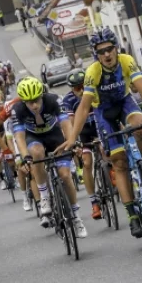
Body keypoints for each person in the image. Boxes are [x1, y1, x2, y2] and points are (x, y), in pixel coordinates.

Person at [61, 28, 142, 239]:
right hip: (104, 111)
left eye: (109, 49)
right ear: (96, 54)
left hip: (124, 102)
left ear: (116, 48)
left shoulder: (126, 60)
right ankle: (132, 215)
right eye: (101, 51)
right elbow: (83, 107)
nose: (106, 54)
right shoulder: (92, 72)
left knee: (140, 124)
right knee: (119, 162)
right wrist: (72, 139)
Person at [11, 77, 86, 238]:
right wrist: (25, 156)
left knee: (65, 175)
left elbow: (66, 124)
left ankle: (76, 217)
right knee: (36, 154)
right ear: (23, 101)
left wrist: (71, 142)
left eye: (37, 100)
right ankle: (44, 196)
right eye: (29, 102)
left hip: (54, 136)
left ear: (42, 95)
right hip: (34, 138)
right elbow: (19, 136)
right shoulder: (17, 109)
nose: (34, 105)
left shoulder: (53, 100)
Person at [60, 70, 103, 220]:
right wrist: (75, 142)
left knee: (106, 151)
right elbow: (71, 124)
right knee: (87, 162)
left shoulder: (94, 90)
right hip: (83, 131)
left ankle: (110, 172)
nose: (81, 90)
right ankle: (94, 202)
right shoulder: (68, 100)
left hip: (99, 126)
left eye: (83, 86)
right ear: (72, 89)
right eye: (77, 88)